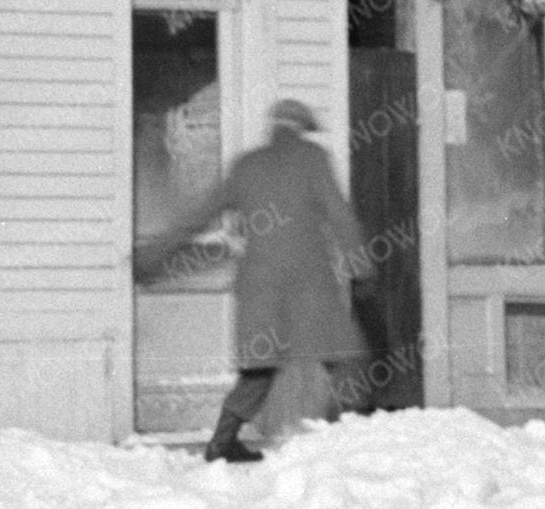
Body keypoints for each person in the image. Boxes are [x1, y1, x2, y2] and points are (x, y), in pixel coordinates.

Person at [144, 94, 373, 462]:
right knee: (342, 357)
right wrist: (361, 267)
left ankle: (222, 441)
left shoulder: (247, 165)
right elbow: (340, 216)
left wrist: (155, 255)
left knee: (259, 367)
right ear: (303, 130)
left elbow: (199, 215)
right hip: (309, 282)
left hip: (259, 285)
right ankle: (359, 443)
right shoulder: (313, 159)